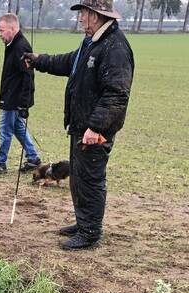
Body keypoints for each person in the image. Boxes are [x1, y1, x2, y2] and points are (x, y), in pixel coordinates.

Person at [24, 0, 133, 250]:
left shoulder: (114, 48)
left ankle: (90, 233)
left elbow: (116, 94)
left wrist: (95, 127)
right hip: (80, 127)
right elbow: (68, 63)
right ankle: (83, 222)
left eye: (83, 13)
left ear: (96, 15)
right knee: (78, 179)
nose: (80, 18)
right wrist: (39, 60)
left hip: (94, 131)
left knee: (90, 179)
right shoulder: (91, 43)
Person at [0, 13, 42, 177]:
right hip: (11, 96)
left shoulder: (20, 47)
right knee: (18, 128)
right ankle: (33, 159)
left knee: (5, 130)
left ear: (13, 28)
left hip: (14, 99)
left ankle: (0, 163)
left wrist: (23, 103)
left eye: (1, 30)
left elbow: (28, 76)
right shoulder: (12, 45)